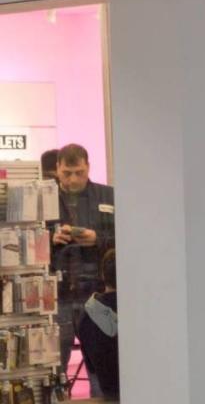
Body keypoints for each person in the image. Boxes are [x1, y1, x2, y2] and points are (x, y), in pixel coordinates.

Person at [49, 143, 115, 398]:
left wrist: (98, 238)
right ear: (57, 168)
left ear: (88, 167)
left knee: (101, 367)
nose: (73, 179)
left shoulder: (108, 196)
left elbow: (128, 237)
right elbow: (26, 238)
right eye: (67, 173)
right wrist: (49, 240)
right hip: (57, 296)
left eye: (79, 172)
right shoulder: (44, 198)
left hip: (98, 296)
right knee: (53, 370)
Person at [77, 248, 119, 400]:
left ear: (102, 275)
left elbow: (91, 366)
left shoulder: (87, 314)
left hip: (107, 392)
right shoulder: (140, 312)